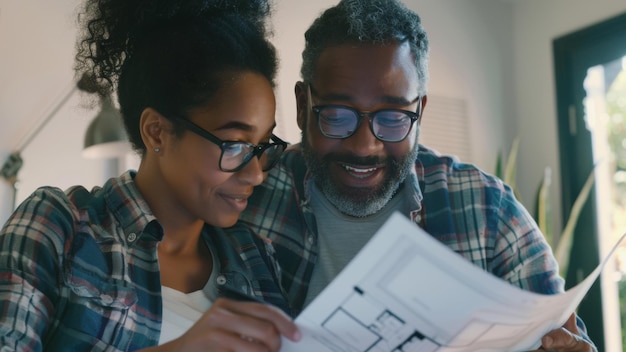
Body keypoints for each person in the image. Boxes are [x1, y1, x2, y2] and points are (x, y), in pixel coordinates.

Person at [239, 0, 596, 351]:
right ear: (303, 106)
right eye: (337, 114)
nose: (365, 146)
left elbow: (567, 339)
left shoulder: (489, 209)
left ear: (419, 111)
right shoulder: (247, 195)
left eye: (393, 117)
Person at [0, 0, 301, 350]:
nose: (255, 174)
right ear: (157, 132)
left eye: (262, 146)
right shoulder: (61, 226)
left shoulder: (254, 258)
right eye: (234, 145)